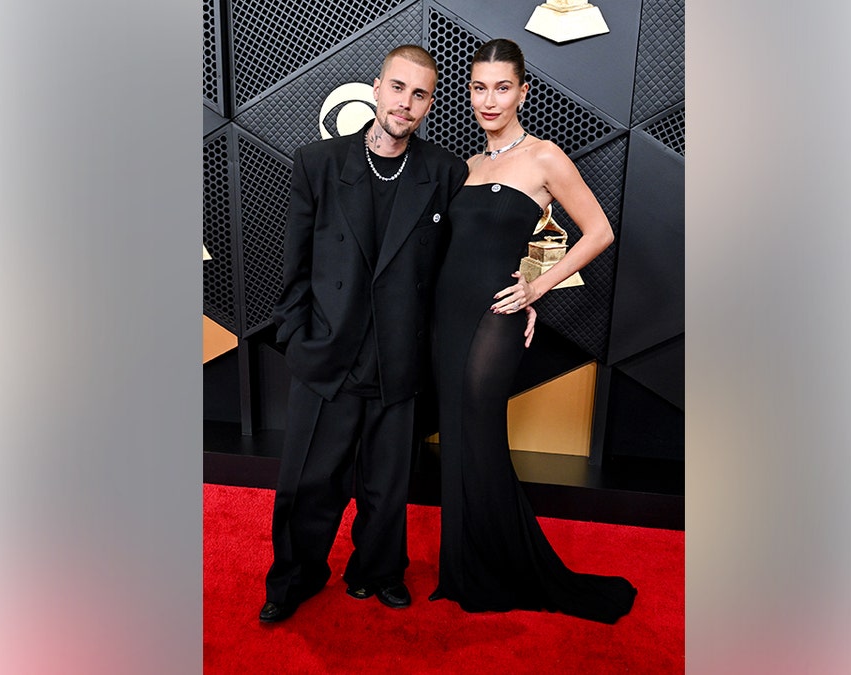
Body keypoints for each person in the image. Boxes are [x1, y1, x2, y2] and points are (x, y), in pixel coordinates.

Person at [260, 44, 533, 624]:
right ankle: (293, 579)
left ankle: (378, 572)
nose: (406, 103)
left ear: (430, 104)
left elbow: (479, 247)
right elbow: (295, 265)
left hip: (399, 354)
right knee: (309, 482)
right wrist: (297, 340)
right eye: (398, 88)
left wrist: (526, 292)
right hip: (327, 354)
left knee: (387, 486)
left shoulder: (445, 172)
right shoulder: (318, 162)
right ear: (376, 89)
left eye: (420, 94)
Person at [429, 38, 637, 624]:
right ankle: (464, 569)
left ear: (523, 91)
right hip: (446, 318)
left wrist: (536, 289)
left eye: (502, 87)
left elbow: (599, 231)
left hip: (497, 316)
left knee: (481, 436)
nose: (488, 100)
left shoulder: (545, 157)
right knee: (455, 439)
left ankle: (506, 570)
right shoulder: (468, 167)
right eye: (478, 87)